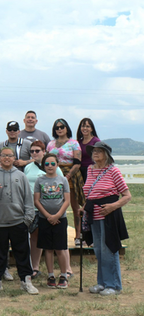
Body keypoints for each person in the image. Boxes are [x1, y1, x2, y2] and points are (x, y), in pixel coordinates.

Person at [0, 147, 38, 295]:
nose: (7, 158)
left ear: (14, 158)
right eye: (4, 156)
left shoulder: (21, 175)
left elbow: (28, 199)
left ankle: (26, 280)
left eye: (10, 156)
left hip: (18, 222)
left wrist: (27, 219)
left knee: (22, 253)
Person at [81, 142, 131, 296]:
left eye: (99, 151)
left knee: (109, 248)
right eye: (93, 151)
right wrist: (84, 208)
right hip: (93, 215)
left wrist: (112, 206)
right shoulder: (90, 169)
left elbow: (127, 195)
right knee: (98, 250)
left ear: (106, 155)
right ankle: (102, 283)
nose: (95, 153)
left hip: (109, 215)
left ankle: (114, 285)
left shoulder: (113, 171)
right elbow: (90, 192)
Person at [23, 140, 67, 279]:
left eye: (38, 150)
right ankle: (36, 267)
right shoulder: (29, 168)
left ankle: (66, 271)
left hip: (56, 213)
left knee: (60, 243)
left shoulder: (56, 170)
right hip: (35, 208)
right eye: (32, 151)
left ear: (44, 151)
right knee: (36, 238)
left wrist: (56, 215)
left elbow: (65, 193)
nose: (35, 153)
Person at [34, 154, 70, 289]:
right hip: (44, 219)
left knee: (60, 248)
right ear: (43, 166)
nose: (50, 166)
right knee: (48, 249)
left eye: (52, 164)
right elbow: (37, 200)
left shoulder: (63, 180)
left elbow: (66, 200)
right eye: (47, 164)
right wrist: (48, 215)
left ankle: (63, 275)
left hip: (60, 219)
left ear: (57, 165)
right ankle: (50, 275)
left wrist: (57, 216)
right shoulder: (39, 181)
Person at [46, 119, 84, 245]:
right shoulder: (51, 144)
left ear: (67, 128)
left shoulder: (74, 143)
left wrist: (67, 176)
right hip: (53, 174)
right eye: (57, 128)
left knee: (74, 205)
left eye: (62, 127)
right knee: (53, 204)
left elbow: (78, 163)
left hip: (71, 175)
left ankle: (78, 235)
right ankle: (52, 234)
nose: (60, 129)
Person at [77, 118, 101, 182]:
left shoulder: (96, 141)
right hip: (80, 172)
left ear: (92, 129)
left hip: (92, 171)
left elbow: (101, 157)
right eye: (83, 126)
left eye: (87, 126)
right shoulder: (79, 142)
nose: (85, 128)